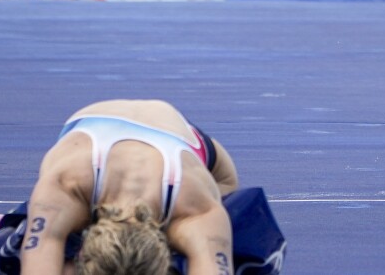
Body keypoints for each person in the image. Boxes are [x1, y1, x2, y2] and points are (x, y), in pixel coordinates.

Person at [19, 99, 239, 275]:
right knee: (45, 247)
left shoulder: (196, 210)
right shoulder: (67, 184)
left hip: (181, 144)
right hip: (106, 127)